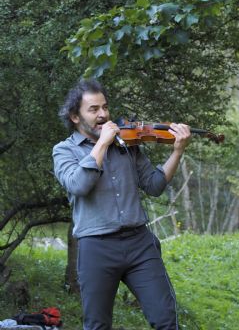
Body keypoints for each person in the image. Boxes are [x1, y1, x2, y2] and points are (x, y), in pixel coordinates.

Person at [53, 79, 191, 329]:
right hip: (96, 246)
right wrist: (103, 143)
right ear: (75, 116)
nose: (103, 115)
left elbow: (154, 185)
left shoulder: (127, 144)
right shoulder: (64, 151)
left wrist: (177, 152)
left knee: (165, 320)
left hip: (139, 244)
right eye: (93, 109)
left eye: (105, 107)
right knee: (97, 325)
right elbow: (78, 185)